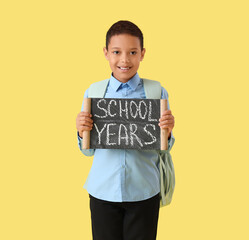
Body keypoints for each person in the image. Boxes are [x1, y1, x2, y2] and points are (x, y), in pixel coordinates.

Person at [75, 20, 175, 240]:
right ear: (106, 53)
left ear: (142, 53)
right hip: (103, 190)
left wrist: (167, 131)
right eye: (116, 52)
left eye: (132, 52)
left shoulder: (157, 91)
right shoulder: (94, 91)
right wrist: (82, 131)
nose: (124, 60)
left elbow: (163, 148)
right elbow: (88, 151)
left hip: (144, 191)